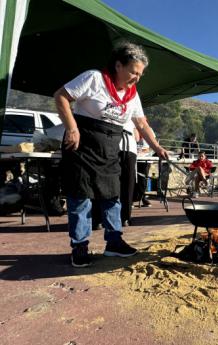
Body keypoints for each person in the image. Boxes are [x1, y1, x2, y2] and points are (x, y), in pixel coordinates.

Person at [54, 41, 168, 267]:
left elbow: (142, 124)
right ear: (118, 65)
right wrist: (72, 128)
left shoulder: (132, 95)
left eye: (140, 75)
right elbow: (61, 96)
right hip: (82, 145)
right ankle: (80, 247)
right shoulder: (94, 79)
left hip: (109, 148)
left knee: (112, 197)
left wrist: (157, 148)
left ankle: (114, 243)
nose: (137, 78)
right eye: (134, 72)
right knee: (81, 197)